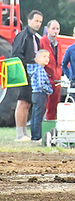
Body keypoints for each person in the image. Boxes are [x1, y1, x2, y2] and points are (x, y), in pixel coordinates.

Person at [11, 10, 43, 142]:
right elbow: (16, 54)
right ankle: (19, 134)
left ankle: (24, 133)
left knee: (28, 103)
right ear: (29, 21)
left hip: (32, 74)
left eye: (40, 22)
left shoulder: (36, 38)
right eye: (36, 21)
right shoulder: (23, 36)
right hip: (24, 73)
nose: (38, 24)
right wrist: (30, 64)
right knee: (22, 102)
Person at [27, 50, 53, 142]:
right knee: (38, 115)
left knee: (35, 115)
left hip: (35, 94)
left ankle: (34, 135)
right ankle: (37, 136)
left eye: (48, 57)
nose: (47, 59)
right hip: (40, 94)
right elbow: (41, 84)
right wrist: (50, 90)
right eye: (44, 57)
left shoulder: (34, 69)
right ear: (37, 59)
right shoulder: (40, 69)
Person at [40, 19, 62, 120]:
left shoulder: (58, 44)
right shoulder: (42, 42)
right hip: (47, 77)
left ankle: (51, 125)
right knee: (43, 105)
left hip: (56, 79)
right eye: (53, 28)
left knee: (54, 105)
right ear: (48, 29)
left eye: (57, 29)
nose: (55, 31)